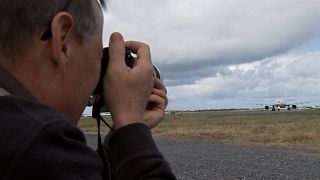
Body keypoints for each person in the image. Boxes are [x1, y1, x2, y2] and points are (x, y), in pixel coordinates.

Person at [0, 0, 176, 179]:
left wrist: (123, 134)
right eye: (99, 55)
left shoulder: (15, 133)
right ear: (62, 41)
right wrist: (131, 124)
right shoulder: (36, 144)